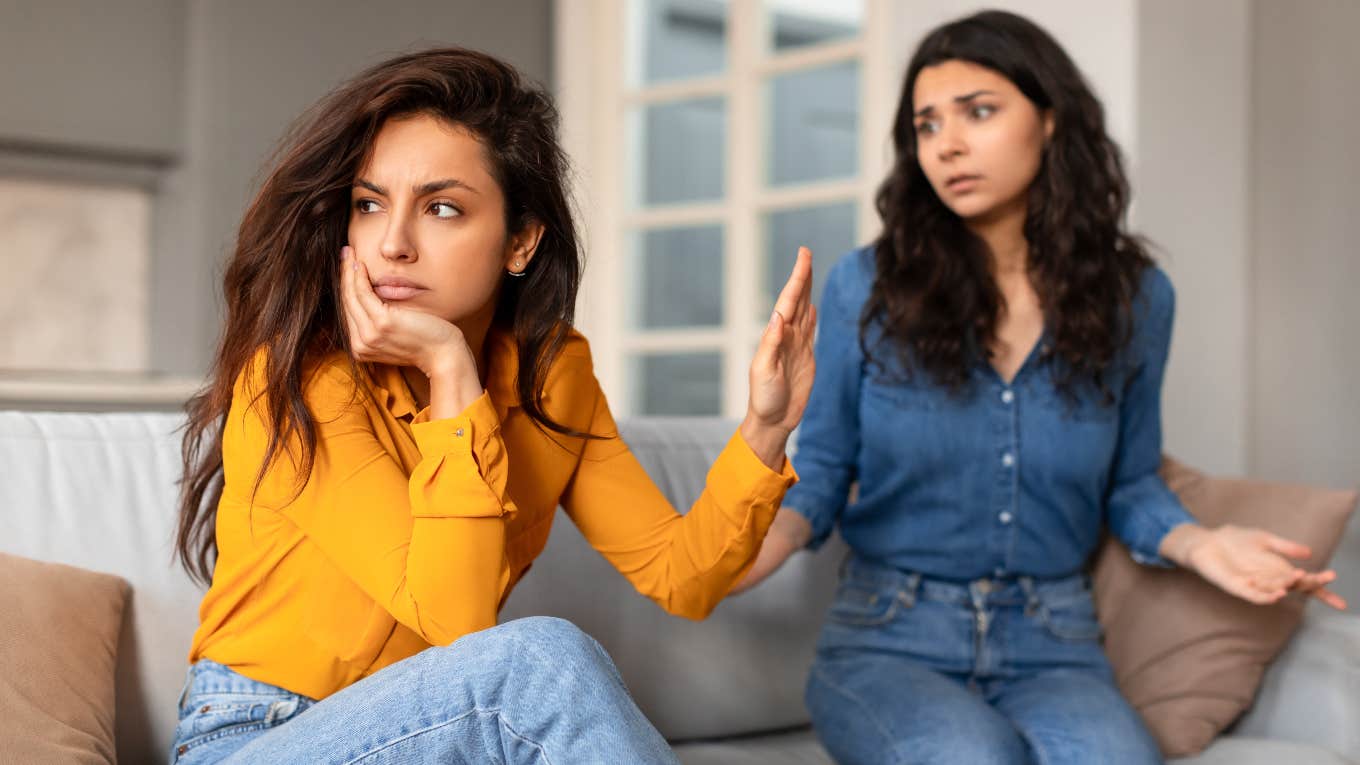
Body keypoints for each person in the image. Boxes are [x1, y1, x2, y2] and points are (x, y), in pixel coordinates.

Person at [171, 47, 816, 764]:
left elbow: (682, 576)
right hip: (259, 735)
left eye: (441, 208)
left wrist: (768, 423)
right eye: (368, 203)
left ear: (520, 241)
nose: (393, 243)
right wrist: (451, 371)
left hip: (444, 738)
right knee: (538, 658)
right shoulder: (299, 380)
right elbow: (458, 626)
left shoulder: (551, 374)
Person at [731, 10, 1344, 764]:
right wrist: (740, 551)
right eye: (926, 125)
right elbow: (821, 471)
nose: (947, 143)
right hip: (890, 639)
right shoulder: (868, 285)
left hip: (1056, 644)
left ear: (1050, 121)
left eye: (979, 112)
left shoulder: (1136, 298)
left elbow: (1131, 481)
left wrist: (1202, 544)